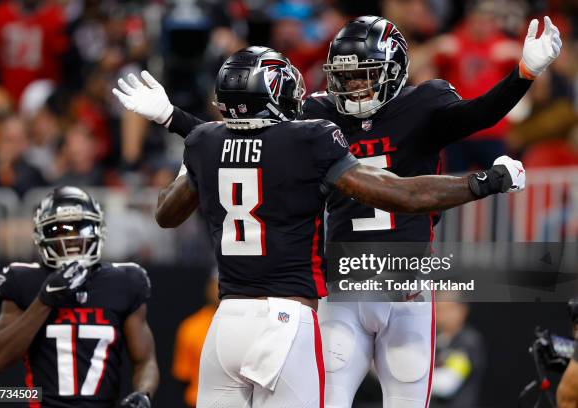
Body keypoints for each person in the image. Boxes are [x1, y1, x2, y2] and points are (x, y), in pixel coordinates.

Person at [114, 14, 559, 407]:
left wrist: (523, 74)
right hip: (339, 285)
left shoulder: (422, 103)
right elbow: (246, 139)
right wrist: (174, 118)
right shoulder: (313, 116)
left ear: (394, 69)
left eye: (365, 75)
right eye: (345, 77)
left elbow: (478, 116)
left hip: (403, 286)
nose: (353, 86)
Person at [0, 186, 159, 407]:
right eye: (60, 230)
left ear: (98, 230)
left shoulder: (124, 281)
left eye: (81, 228)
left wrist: (144, 393)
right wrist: (44, 300)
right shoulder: (24, 281)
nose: (72, 238)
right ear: (42, 235)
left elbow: (146, 361)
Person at [172, 271, 220, 407]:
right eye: (217, 284)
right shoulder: (190, 327)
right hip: (197, 402)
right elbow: (182, 375)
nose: (221, 289)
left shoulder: (246, 325)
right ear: (208, 287)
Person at [430, 295, 486, 407]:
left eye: (448, 309)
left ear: (463, 310)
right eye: (438, 309)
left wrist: (408, 379)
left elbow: (447, 384)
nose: (442, 314)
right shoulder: (432, 339)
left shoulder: (468, 342)